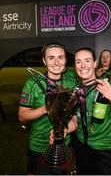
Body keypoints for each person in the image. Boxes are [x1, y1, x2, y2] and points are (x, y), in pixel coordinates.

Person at [66, 47, 111, 175]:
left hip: (107, 149)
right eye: (78, 61)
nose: (83, 65)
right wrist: (63, 130)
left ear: (95, 63)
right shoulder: (75, 90)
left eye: (87, 60)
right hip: (83, 149)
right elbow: (75, 121)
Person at [18, 42, 77, 174]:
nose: (56, 62)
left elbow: (75, 117)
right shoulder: (32, 83)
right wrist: (47, 108)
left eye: (60, 57)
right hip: (38, 144)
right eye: (51, 58)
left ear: (66, 60)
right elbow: (22, 116)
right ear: (44, 60)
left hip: (64, 144)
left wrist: (65, 130)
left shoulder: (72, 81)